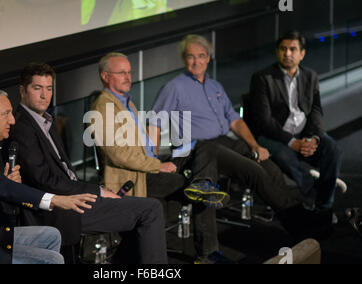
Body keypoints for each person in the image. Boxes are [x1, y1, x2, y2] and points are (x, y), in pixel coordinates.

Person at [10, 62, 168, 264]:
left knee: (141, 214)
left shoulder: (46, 121)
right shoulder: (22, 127)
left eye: (49, 89)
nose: (44, 95)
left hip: (77, 197)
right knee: (150, 210)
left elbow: (64, 172)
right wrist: (98, 192)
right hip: (63, 209)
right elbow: (45, 180)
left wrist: (96, 190)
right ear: (22, 90)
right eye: (37, 88)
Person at [90, 52, 232, 264]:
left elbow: (141, 145)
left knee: (204, 149)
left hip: (150, 164)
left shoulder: (125, 102)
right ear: (105, 76)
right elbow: (120, 155)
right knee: (191, 188)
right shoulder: (103, 107)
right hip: (136, 177)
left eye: (129, 72)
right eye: (121, 73)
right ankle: (207, 253)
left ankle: (203, 185)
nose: (128, 77)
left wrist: (160, 159)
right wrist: (158, 165)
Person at [151, 34, 306, 218]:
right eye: (191, 56)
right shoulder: (174, 87)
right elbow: (154, 123)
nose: (196, 61)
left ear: (208, 58)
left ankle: (295, 212)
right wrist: (152, 161)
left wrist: (254, 145)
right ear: (184, 59)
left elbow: (235, 120)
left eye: (201, 56)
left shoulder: (214, 86)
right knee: (254, 172)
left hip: (225, 141)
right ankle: (298, 219)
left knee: (269, 166)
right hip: (198, 149)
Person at [0, 88, 98, 264]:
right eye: (6, 114)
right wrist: (55, 199)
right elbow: (0, 187)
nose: (13, 120)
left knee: (51, 235)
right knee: (52, 260)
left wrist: (6, 184)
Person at [248, 30, 345, 212]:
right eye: (283, 49)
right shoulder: (263, 78)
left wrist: (313, 138)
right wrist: (292, 142)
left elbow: (316, 111)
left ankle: (323, 207)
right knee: (285, 155)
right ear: (277, 51)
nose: (287, 54)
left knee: (333, 150)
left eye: (293, 49)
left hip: (303, 133)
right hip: (273, 136)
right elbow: (264, 121)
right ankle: (316, 186)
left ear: (302, 54)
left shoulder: (310, 76)